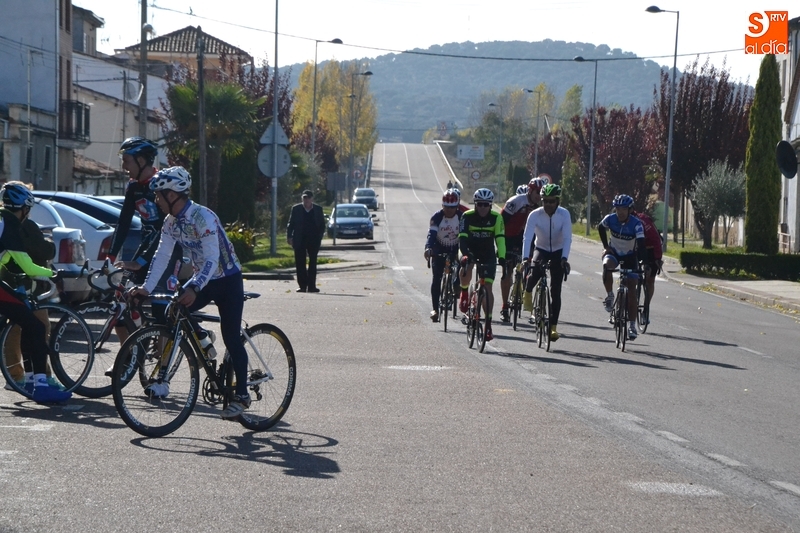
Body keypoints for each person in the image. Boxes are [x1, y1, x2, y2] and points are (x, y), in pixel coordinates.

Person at [129, 166, 250, 419]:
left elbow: (212, 259)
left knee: (231, 337)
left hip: (227, 279)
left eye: (159, 195)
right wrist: (146, 288)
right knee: (173, 312)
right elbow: (161, 256)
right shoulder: (171, 222)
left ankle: (242, 395)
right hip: (203, 278)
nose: (156, 200)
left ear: (172, 195)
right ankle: (172, 370)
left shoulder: (203, 217)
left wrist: (194, 287)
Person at [0, 184, 69, 403]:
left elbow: (7, 259)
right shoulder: (10, 225)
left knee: (27, 321)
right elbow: (28, 266)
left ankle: (30, 379)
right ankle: (41, 386)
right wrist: (53, 274)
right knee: (37, 327)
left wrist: (16, 273)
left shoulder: (2, 220)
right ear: (24, 209)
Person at [521, 183, 572, 341]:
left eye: (551, 201)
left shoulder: (564, 214)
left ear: (557, 201)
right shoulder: (535, 215)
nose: (548, 204)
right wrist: (525, 258)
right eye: (545, 201)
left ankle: (553, 328)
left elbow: (567, 238)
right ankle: (527, 292)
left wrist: (564, 258)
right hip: (541, 248)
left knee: (556, 291)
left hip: (558, 251)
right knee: (534, 272)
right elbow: (527, 237)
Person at [458, 188, 506, 342]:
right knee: (466, 266)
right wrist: (465, 254)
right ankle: (464, 292)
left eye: (486, 204)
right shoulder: (467, 216)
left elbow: (500, 240)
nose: (483, 207)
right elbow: (462, 239)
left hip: (487, 253)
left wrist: (502, 257)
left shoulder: (496, 218)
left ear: (490, 205)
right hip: (469, 250)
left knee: (488, 288)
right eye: (480, 204)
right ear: (475, 204)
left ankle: (488, 325)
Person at [598, 194, 646, 340]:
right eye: (618, 209)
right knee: (607, 265)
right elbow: (600, 227)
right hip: (614, 253)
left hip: (630, 257)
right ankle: (610, 296)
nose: (620, 212)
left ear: (630, 210)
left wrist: (643, 262)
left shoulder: (636, 224)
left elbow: (641, 244)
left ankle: (632, 325)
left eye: (624, 209)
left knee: (631, 290)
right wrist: (606, 247)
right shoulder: (610, 219)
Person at [498, 177, 545, 322]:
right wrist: (500, 243)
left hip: (526, 239)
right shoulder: (516, 201)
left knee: (532, 268)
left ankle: (527, 296)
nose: (539, 195)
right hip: (509, 238)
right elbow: (501, 221)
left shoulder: (540, 206)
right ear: (530, 191)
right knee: (507, 272)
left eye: (541, 192)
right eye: (537, 192)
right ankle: (505, 307)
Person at [424, 190, 462, 322]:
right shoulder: (437, 217)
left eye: (452, 207)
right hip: (439, 248)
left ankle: (457, 284)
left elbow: (466, 237)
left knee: (463, 263)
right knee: (436, 279)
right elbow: (431, 235)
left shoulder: (462, 217)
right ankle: (435, 309)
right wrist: (428, 248)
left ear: (457, 206)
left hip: (456, 248)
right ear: (442, 206)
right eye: (446, 207)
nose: (449, 210)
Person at [286, 189, 326, 293]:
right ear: (302, 199)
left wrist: (319, 236)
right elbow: (291, 224)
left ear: (312, 199)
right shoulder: (296, 209)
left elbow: (322, 224)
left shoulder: (318, 209)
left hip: (313, 239)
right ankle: (302, 286)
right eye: (304, 198)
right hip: (300, 239)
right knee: (300, 263)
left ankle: (312, 286)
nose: (306, 200)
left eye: (308, 198)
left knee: (313, 262)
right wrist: (289, 237)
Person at [631, 207, 663, 322]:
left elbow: (656, 240)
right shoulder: (621, 221)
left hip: (650, 249)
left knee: (650, 280)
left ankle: (646, 309)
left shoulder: (644, 221)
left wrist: (657, 258)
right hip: (634, 248)